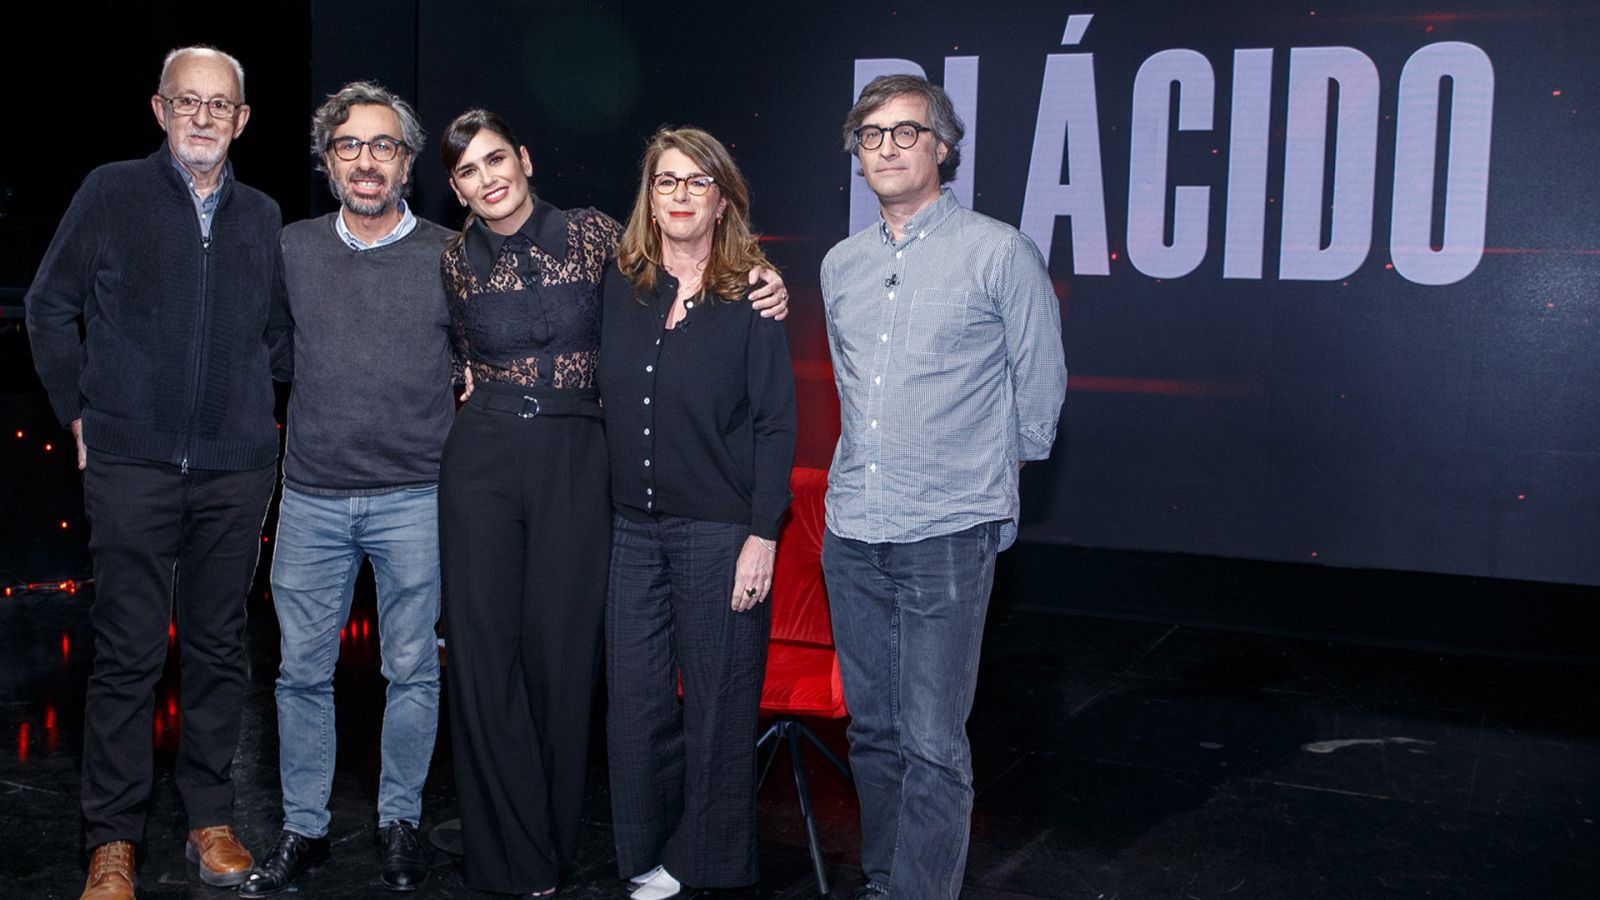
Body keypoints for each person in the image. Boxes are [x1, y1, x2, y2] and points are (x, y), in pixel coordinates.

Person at [436, 110, 789, 898]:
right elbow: (459, 356)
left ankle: (646, 854)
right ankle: (565, 852)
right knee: (557, 685)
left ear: (525, 159)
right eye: (467, 170)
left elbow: (762, 400)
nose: (487, 177)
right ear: (456, 187)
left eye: (498, 158)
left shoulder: (598, 243)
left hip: (610, 480)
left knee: (605, 677)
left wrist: (765, 278)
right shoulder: (465, 260)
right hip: (541, 482)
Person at [24, 46, 288, 900]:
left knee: (217, 650)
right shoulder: (110, 192)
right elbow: (47, 304)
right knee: (129, 656)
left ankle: (209, 820)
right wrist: (78, 412)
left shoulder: (263, 215)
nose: (204, 117)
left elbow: (280, 340)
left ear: (243, 119)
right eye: (188, 102)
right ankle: (112, 842)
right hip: (130, 463)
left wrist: (257, 412)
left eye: (221, 105)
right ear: (159, 109)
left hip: (234, 472)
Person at [819, 74, 1068, 900]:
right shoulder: (840, 266)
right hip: (853, 529)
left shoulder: (999, 251)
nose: (886, 147)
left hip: (948, 531)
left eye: (905, 131)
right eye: (872, 134)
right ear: (858, 155)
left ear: (943, 147)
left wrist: (985, 485)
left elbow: (1039, 395)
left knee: (932, 740)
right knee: (874, 733)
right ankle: (885, 879)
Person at [237, 81, 453, 898]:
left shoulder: (448, 254)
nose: (367, 162)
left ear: (407, 163)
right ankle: (305, 830)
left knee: (412, 672)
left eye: (385, 146)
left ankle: (399, 824)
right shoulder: (291, 249)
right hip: (313, 497)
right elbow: (270, 351)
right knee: (298, 676)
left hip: (415, 498)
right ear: (328, 161)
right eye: (350, 146)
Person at [599, 127, 797, 900]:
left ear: (722, 200)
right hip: (630, 529)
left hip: (722, 533)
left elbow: (777, 424)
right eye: (666, 182)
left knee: (717, 706)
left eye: (696, 183)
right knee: (637, 700)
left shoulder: (752, 292)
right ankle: (645, 851)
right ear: (650, 197)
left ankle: (704, 861)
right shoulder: (621, 282)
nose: (680, 196)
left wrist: (762, 535)